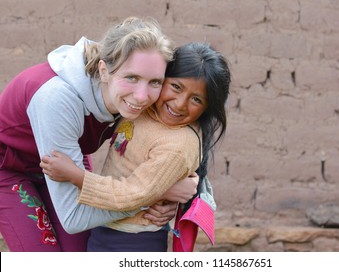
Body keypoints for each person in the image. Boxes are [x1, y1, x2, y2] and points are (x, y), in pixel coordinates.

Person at [0, 16, 199, 252]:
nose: (142, 96)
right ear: (104, 70)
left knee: (81, 253)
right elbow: (74, 219)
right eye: (131, 78)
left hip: (67, 155)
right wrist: (154, 195)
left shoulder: (134, 99)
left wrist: (179, 183)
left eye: (155, 81)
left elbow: (178, 146)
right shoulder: (56, 99)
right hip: (10, 168)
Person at [40, 42, 231, 251]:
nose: (179, 104)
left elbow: (133, 194)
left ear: (207, 108)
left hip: (133, 240)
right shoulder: (144, 104)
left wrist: (76, 176)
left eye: (196, 99)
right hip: (106, 227)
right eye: (176, 86)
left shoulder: (177, 145)